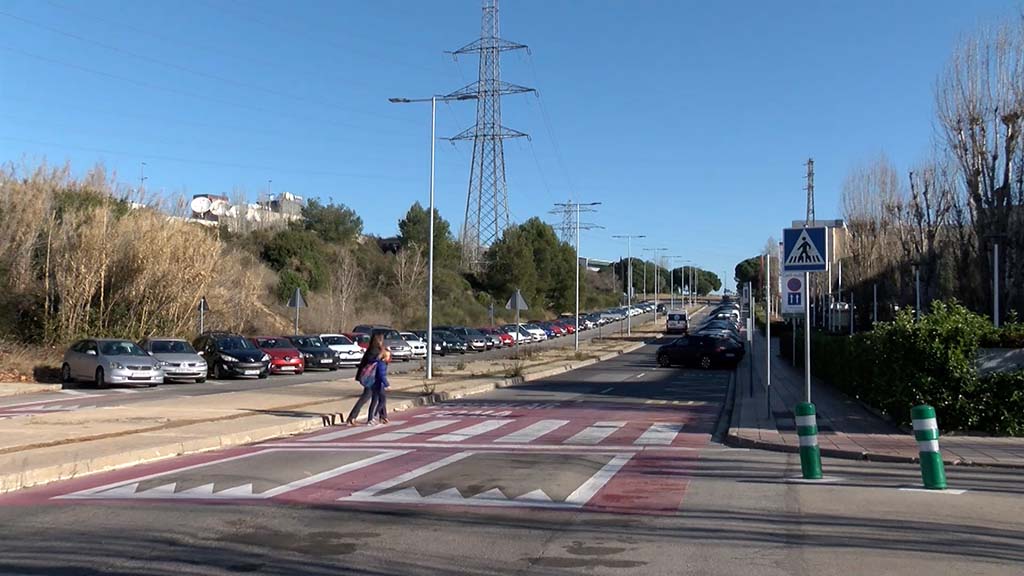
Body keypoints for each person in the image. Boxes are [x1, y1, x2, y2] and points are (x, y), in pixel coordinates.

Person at [345, 333, 385, 426]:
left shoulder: (376, 349)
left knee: (375, 397)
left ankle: (371, 418)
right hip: (369, 378)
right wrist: (380, 356)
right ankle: (352, 417)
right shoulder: (373, 350)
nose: (382, 342)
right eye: (381, 340)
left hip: (374, 377)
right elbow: (372, 361)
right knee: (366, 397)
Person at [367, 349, 391, 425]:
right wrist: (387, 384)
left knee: (374, 401)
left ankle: (372, 418)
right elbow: (382, 375)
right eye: (388, 356)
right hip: (379, 384)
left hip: (374, 384)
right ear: (384, 357)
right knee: (382, 401)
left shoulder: (376, 362)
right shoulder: (382, 364)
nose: (389, 358)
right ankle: (375, 415)